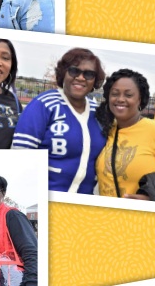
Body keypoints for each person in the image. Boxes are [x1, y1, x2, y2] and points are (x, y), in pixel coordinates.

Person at [12, 48, 106, 194]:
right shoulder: (43, 105)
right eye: (74, 71)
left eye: (88, 74)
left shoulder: (98, 112)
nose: (81, 78)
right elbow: (21, 157)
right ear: (64, 73)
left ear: (95, 80)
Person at [95, 69, 155, 201]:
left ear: (140, 99)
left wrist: (151, 196)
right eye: (114, 94)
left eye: (128, 95)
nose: (120, 99)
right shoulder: (106, 129)